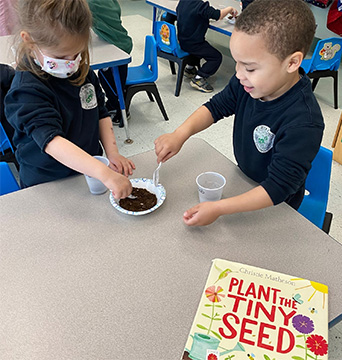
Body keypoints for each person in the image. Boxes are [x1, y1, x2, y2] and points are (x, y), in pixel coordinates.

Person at [155, 0, 324, 226]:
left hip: (275, 206)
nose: (239, 74)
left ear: (292, 62)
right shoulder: (248, 84)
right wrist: (180, 134)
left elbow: (277, 188)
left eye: (250, 67)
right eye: (237, 63)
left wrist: (219, 208)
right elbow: (215, 107)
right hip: (244, 180)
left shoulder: (304, 121)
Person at [4, 0, 135, 199]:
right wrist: (104, 173)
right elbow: (52, 141)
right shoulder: (26, 90)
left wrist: (112, 153)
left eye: (78, 53)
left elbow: (100, 112)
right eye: (61, 56)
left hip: (86, 171)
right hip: (47, 182)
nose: (71, 63)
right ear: (29, 41)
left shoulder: (80, 70)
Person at [87, 0, 133, 126]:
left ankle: (121, 108)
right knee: (109, 77)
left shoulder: (90, 3)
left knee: (109, 81)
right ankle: (114, 103)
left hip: (117, 47)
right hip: (121, 41)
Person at [176, 0, 238, 93]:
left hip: (183, 41)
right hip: (195, 43)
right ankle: (199, 78)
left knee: (200, 51)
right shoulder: (201, 6)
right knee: (216, 57)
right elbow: (218, 15)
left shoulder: (183, 2)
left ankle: (190, 69)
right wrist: (230, 9)